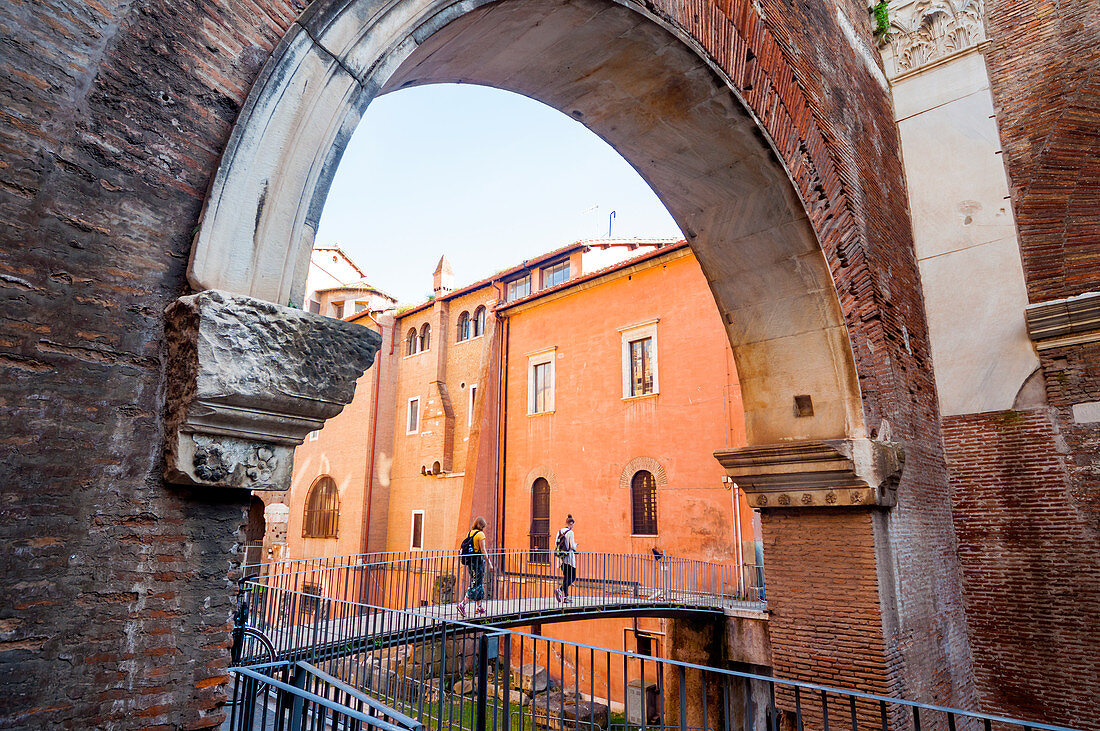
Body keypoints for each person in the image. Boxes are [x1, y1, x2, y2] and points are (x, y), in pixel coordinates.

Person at [457, 517, 494, 617]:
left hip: (471, 561)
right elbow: (483, 550)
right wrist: (489, 563)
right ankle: (462, 604)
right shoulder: (480, 534)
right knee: (475, 583)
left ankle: (479, 607)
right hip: (478, 561)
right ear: (482, 525)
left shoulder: (469, 533)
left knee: (478, 582)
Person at [554, 515, 577, 603]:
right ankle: (560, 589)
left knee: (566, 577)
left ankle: (566, 597)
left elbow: (556, 543)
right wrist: (576, 545)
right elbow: (572, 546)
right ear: (571, 523)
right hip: (569, 559)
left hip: (561, 559)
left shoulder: (559, 531)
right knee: (572, 577)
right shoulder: (570, 532)